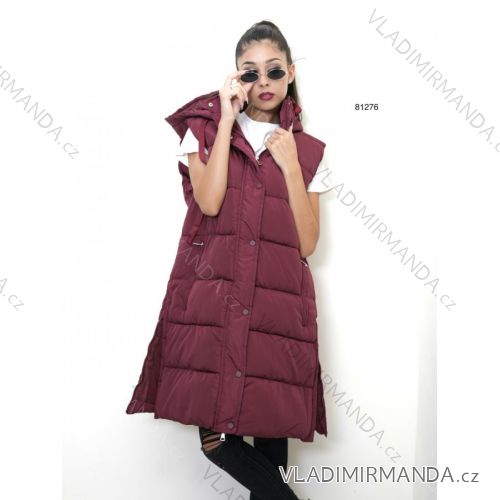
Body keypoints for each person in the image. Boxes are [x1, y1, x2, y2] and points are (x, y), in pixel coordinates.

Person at [126, 20, 330, 500]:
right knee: (217, 441)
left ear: (291, 73)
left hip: (278, 310)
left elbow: (307, 243)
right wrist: (224, 121)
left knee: (272, 437)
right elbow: (210, 200)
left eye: (274, 71)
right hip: (213, 302)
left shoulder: (308, 151)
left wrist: (290, 166)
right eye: (250, 72)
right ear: (236, 78)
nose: (264, 82)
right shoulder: (201, 130)